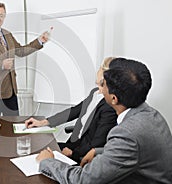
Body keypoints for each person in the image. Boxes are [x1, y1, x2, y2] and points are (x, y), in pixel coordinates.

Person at [36, 58, 172, 183]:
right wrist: (99, 151)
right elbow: (134, 151)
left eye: (103, 85)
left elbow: (82, 180)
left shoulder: (127, 133)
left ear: (113, 99)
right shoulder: (153, 116)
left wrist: (48, 162)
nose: (99, 89)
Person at [25, 57, 117, 164]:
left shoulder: (109, 108)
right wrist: (44, 122)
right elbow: (74, 111)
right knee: (34, 148)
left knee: (39, 157)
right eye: (97, 83)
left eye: (101, 84)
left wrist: (73, 153)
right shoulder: (95, 94)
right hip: (73, 144)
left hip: (81, 153)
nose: (98, 87)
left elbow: (97, 144)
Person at [0, 1, 50, 116]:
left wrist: (39, 41)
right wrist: (1, 65)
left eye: (1, 15)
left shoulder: (7, 34)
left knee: (14, 127)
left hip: (11, 91)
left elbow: (20, 51)